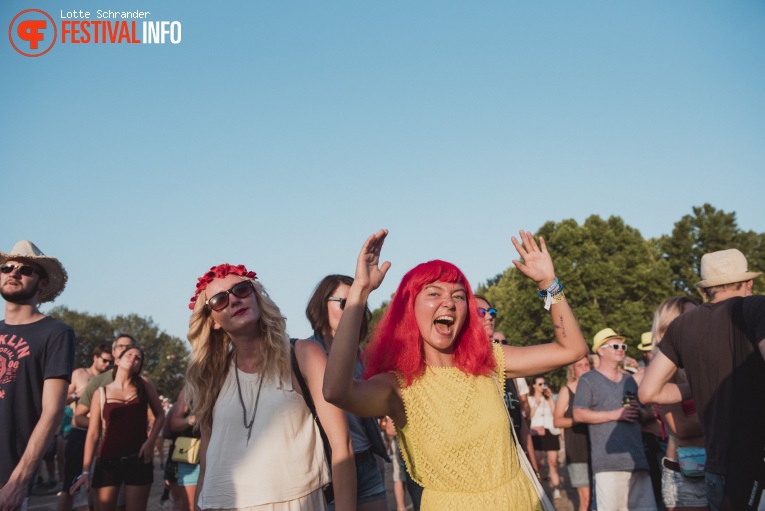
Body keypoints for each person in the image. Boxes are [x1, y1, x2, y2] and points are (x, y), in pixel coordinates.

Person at [323, 229, 588, 510]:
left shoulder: (488, 362)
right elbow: (336, 391)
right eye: (434, 293)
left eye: (459, 296)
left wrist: (549, 283)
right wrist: (360, 293)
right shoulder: (398, 386)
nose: (448, 302)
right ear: (409, 309)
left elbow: (572, 349)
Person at [185, 264, 330, 511]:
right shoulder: (214, 376)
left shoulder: (303, 355)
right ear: (212, 321)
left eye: (241, 290)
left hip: (294, 501)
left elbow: (343, 446)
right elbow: (209, 459)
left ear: (256, 295)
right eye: (220, 300)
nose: (233, 301)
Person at [638, 249, 765, 510]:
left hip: (716, 465)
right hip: (755, 461)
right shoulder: (757, 307)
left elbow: (648, 393)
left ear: (706, 291)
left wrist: (698, 388)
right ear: (748, 282)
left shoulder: (682, 325)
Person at [297, 274, 389, 511]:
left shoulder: (363, 357)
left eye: (359, 303)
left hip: (367, 462)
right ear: (321, 305)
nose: (354, 309)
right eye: (345, 303)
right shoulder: (303, 355)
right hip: (326, 468)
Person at [0, 240, 75, 511]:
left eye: (26, 269)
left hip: (7, 475)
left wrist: (18, 481)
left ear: (42, 284)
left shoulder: (56, 333)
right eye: (7, 267)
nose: (14, 272)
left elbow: (52, 411)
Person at [70, 346, 164, 511]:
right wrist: (85, 472)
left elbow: (160, 415)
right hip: (108, 458)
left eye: (138, 358)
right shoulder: (101, 392)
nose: (133, 358)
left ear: (139, 366)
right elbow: (93, 434)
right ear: (118, 360)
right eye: (129, 355)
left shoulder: (144, 385)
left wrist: (150, 442)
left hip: (139, 457)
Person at [573, 327, 657, 511]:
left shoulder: (629, 381)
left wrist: (641, 412)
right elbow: (578, 413)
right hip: (608, 465)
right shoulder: (588, 380)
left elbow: (640, 415)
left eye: (623, 346)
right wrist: (615, 414)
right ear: (600, 350)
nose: (621, 349)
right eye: (615, 345)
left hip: (637, 461)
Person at [644, 297, 707, 511]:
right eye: (691, 319)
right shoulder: (665, 373)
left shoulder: (702, 362)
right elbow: (681, 427)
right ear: (668, 328)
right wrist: (728, 414)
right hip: (687, 472)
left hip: (717, 467)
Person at [58, 344, 114, 511]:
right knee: (70, 485)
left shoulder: (110, 379)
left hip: (100, 435)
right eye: (104, 360)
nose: (107, 365)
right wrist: (77, 395)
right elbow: (60, 399)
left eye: (110, 362)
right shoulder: (79, 374)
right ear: (95, 357)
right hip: (78, 432)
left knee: (93, 486)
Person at [553, 357, 593, 511]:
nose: (584, 368)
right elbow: (557, 421)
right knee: (586, 499)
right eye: (580, 365)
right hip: (577, 450)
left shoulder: (595, 388)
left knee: (597, 496)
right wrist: (579, 419)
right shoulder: (566, 390)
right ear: (573, 370)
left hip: (597, 450)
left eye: (587, 364)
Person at [528, 376, 562, 498]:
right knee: (539, 463)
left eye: (544, 383)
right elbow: (528, 415)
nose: (543, 386)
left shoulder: (549, 399)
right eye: (540, 384)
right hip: (536, 432)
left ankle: (556, 487)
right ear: (534, 386)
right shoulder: (529, 399)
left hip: (550, 431)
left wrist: (550, 399)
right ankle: (542, 489)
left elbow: (555, 413)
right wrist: (536, 403)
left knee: (553, 462)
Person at [168, 387, 200, 511]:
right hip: (192, 460)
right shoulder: (191, 388)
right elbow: (173, 424)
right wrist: (192, 419)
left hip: (222, 459)